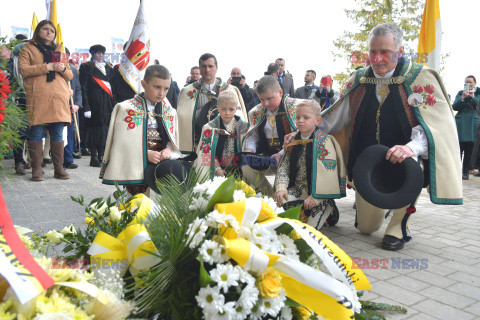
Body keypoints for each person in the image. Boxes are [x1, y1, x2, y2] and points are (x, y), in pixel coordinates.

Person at [304, 23, 462, 251]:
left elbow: (435, 126)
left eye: (385, 52)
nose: (377, 59)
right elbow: (333, 120)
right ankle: (382, 206)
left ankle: (398, 226)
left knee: (412, 165)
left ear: (400, 50)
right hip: (366, 163)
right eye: (372, 52)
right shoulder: (359, 79)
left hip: (403, 162)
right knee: (366, 228)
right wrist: (304, 134)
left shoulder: (420, 78)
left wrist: (411, 148)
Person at [100, 64, 187, 195]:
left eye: (166, 89)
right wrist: (145, 154)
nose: (161, 93)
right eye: (157, 87)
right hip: (136, 166)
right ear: (144, 84)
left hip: (162, 165)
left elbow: (172, 139)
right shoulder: (126, 109)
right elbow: (122, 143)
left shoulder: (170, 111)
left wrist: (169, 149)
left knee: (162, 205)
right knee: (136, 203)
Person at [275, 100, 344, 230]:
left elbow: (329, 173)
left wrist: (316, 198)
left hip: (317, 193)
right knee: (276, 206)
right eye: (298, 117)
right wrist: (281, 187)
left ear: (317, 120)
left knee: (308, 230)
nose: (300, 121)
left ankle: (329, 206)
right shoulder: (292, 142)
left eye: (306, 117)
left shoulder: (325, 141)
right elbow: (284, 167)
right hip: (297, 189)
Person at [18, 20, 73, 181]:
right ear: (38, 31)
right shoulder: (28, 47)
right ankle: (36, 169)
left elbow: (69, 75)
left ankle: (58, 168)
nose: (49, 32)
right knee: (36, 131)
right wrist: (46, 67)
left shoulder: (59, 51)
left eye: (52, 30)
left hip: (58, 97)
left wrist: (62, 68)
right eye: (45, 29)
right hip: (38, 97)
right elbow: (23, 69)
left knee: (57, 132)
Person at [242, 75, 304, 196]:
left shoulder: (297, 107)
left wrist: (281, 154)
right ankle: (269, 196)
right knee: (246, 165)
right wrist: (250, 150)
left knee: (281, 188)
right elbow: (253, 136)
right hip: (267, 158)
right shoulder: (255, 112)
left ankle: (280, 199)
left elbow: (299, 136)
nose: (265, 103)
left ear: (280, 92)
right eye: (261, 99)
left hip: (290, 157)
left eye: (270, 98)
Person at [177, 53, 247, 156]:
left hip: (226, 148)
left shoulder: (231, 90)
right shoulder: (187, 91)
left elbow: (240, 119)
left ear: (216, 68)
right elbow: (182, 119)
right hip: (197, 145)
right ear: (199, 68)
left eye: (210, 66)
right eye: (204, 66)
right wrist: (203, 113)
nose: (207, 70)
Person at [195, 91, 249, 180]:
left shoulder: (244, 127)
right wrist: (217, 168)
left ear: (236, 109)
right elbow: (205, 153)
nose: (227, 113)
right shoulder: (209, 128)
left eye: (231, 109)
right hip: (215, 170)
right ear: (218, 108)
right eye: (224, 109)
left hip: (238, 170)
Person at [79, 44, 115, 167]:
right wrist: (86, 106)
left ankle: (101, 155)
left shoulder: (109, 68)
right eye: (97, 53)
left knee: (105, 130)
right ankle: (93, 156)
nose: (100, 55)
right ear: (92, 54)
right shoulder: (86, 67)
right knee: (94, 131)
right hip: (94, 104)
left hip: (107, 104)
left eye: (102, 53)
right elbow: (83, 88)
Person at [452, 76, 480, 180]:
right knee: (458, 148)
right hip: (461, 123)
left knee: (470, 148)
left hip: (472, 123)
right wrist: (463, 98)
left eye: (471, 82)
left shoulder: (478, 93)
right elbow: (455, 106)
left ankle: (465, 172)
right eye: (466, 82)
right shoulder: (460, 93)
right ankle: (457, 171)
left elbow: (477, 105)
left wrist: (472, 97)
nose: (469, 84)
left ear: (475, 83)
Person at [63, 48, 81, 169]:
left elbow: (78, 89)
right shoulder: (51, 70)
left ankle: (68, 160)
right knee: (57, 136)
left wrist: (77, 104)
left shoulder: (73, 71)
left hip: (70, 109)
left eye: (65, 56)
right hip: (56, 107)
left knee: (69, 134)